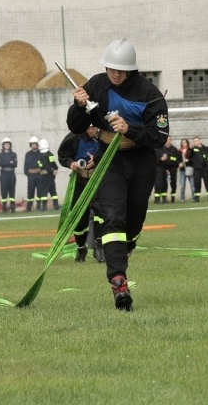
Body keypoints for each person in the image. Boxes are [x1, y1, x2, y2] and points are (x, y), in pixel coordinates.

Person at [68, 38, 169, 311]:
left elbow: (159, 137)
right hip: (109, 160)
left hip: (141, 162)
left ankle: (126, 249)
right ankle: (118, 281)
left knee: (133, 222)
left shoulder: (150, 94)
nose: (115, 74)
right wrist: (78, 105)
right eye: (110, 68)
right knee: (113, 217)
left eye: (120, 70)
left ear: (131, 70)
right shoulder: (96, 85)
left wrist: (129, 129)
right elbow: (76, 125)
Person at [57, 125, 103, 262]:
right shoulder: (74, 137)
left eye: (93, 128)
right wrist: (72, 164)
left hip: (99, 180)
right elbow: (63, 156)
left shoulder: (105, 136)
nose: (90, 131)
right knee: (79, 216)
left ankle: (99, 248)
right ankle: (81, 247)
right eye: (87, 128)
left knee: (101, 214)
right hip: (80, 181)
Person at [153, 135, 180, 204]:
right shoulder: (159, 149)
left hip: (169, 169)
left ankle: (164, 198)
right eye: (167, 139)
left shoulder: (174, 149)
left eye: (169, 139)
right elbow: (154, 159)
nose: (168, 141)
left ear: (171, 140)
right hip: (159, 168)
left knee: (165, 184)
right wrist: (161, 159)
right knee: (159, 182)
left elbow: (178, 159)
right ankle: (157, 199)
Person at [38, 138, 59, 211]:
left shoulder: (39, 155)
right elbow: (54, 164)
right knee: (53, 190)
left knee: (44, 191)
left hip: (44, 176)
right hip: (51, 175)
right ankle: (56, 205)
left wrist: (51, 170)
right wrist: (54, 169)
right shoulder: (50, 154)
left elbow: (41, 165)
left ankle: (43, 206)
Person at [191, 136, 208, 202]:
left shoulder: (206, 149)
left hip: (205, 168)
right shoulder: (193, 149)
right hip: (197, 169)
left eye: (196, 141)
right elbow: (189, 156)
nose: (195, 142)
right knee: (197, 183)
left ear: (200, 141)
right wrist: (190, 149)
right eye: (194, 141)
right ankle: (197, 198)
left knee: (207, 183)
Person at [0, 137, 18, 213]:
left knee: (12, 190)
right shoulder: (0, 155)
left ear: (10, 145)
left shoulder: (13, 154)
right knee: (4, 191)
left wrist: (7, 163)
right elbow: (1, 164)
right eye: (5, 144)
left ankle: (12, 206)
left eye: (8, 144)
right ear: (3, 145)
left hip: (11, 174)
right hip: (4, 174)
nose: (7, 146)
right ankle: (4, 207)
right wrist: (9, 162)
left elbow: (15, 164)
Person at [23, 136, 42, 212]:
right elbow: (26, 165)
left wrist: (39, 170)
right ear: (30, 145)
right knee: (30, 191)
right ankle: (29, 207)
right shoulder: (28, 154)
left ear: (37, 144)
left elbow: (42, 164)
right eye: (32, 144)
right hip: (31, 176)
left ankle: (38, 206)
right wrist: (28, 173)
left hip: (39, 176)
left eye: (35, 144)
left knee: (39, 191)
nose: (34, 145)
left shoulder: (41, 154)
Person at [178, 138, 194, 203]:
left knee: (192, 185)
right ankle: (182, 198)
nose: (184, 143)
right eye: (183, 142)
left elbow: (194, 159)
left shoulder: (190, 150)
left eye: (185, 142)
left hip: (189, 169)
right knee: (182, 185)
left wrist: (188, 160)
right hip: (182, 170)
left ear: (187, 143)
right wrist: (179, 163)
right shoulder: (179, 151)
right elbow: (176, 159)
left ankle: (193, 198)